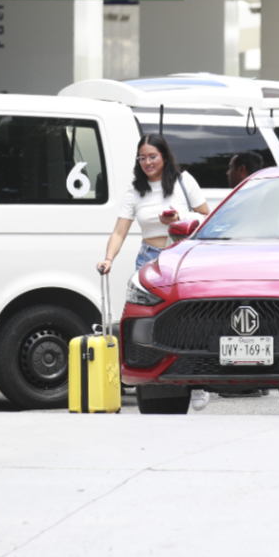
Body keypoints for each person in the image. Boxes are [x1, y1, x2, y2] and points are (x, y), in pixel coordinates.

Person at [97, 134, 212, 411]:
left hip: (182, 257)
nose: (147, 162)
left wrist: (179, 219)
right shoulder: (135, 191)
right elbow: (120, 230)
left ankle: (197, 382)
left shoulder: (184, 182)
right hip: (149, 261)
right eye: (142, 157)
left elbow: (208, 217)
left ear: (164, 156)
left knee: (189, 320)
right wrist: (108, 258)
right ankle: (154, 377)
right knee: (151, 322)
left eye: (152, 156)